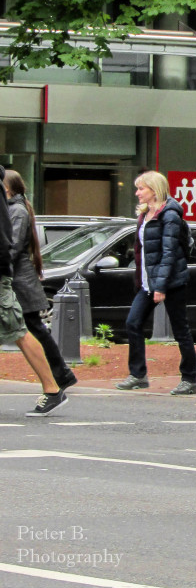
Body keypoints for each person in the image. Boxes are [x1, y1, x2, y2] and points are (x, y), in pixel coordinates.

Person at [115, 171, 196, 396]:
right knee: (133, 323)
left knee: (181, 330)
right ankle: (138, 375)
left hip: (171, 282)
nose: (137, 193)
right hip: (148, 281)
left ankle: (189, 379)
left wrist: (161, 286)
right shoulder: (144, 214)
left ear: (154, 190)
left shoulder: (169, 215)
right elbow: (143, 250)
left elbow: (168, 253)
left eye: (141, 188)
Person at [0, 167, 67, 416]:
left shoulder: (14, 210)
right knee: (26, 330)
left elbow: (10, 246)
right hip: (12, 278)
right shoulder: (12, 207)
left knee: (24, 331)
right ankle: (56, 383)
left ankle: (54, 386)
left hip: (12, 280)